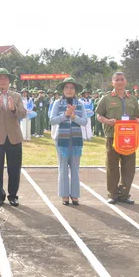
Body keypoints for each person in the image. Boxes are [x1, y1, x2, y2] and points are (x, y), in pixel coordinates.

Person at [97, 71, 139, 204]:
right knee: (112, 166)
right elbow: (99, 115)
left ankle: (125, 194)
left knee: (129, 167)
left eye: (122, 79)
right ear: (113, 82)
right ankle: (113, 194)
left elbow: (138, 116)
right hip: (113, 136)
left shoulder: (133, 99)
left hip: (130, 137)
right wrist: (107, 121)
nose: (119, 82)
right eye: (117, 80)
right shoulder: (106, 99)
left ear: (126, 81)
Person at [0, 68, 26, 207]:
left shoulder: (16, 96)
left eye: (5, 78)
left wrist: (14, 109)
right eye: (0, 78)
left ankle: (13, 195)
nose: (3, 81)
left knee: (14, 168)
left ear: (9, 81)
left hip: (14, 137)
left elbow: (23, 114)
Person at [50, 77, 88, 205]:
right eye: (66, 87)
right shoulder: (57, 103)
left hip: (76, 140)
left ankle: (75, 195)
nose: (69, 90)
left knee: (75, 168)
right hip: (61, 140)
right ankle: (64, 195)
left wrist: (73, 116)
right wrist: (65, 115)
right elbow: (52, 120)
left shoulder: (80, 104)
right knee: (63, 168)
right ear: (63, 90)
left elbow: (84, 122)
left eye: (72, 87)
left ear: (75, 90)